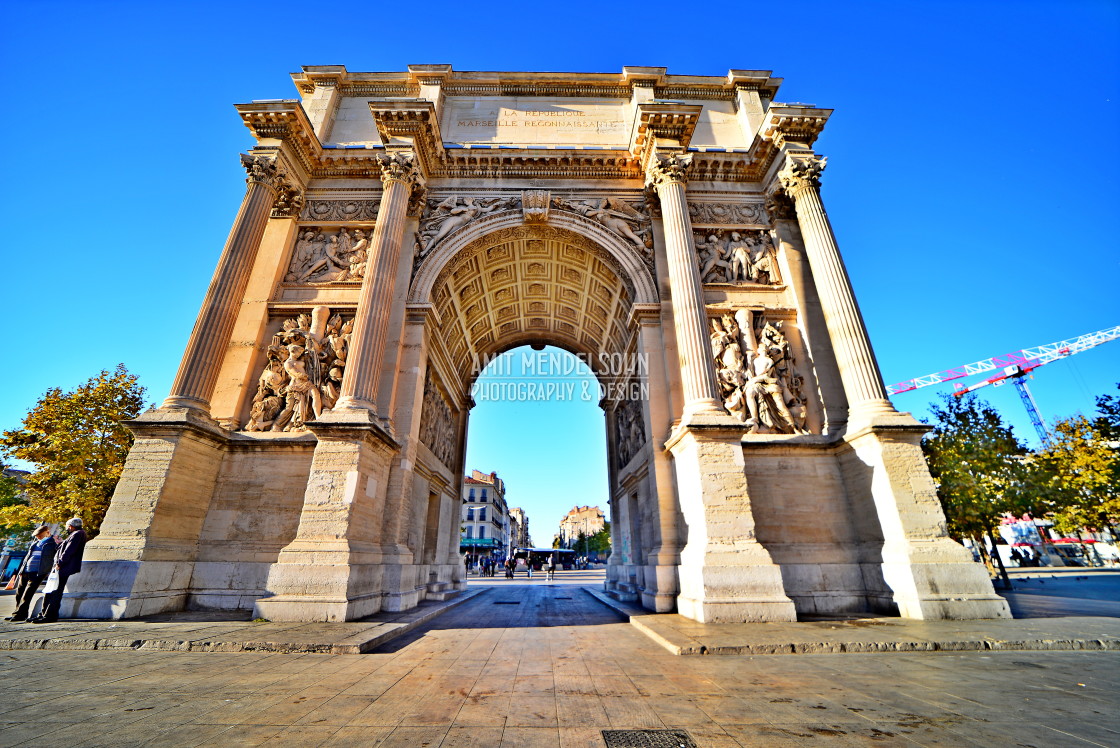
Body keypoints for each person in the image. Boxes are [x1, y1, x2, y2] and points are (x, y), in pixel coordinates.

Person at [31, 517, 86, 624]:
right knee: (50, 590)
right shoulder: (76, 534)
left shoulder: (77, 534)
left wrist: (59, 563)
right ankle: (44, 614)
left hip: (62, 567)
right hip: (61, 567)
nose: (67, 529)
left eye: (68, 527)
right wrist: (60, 543)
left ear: (70, 526)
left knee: (55, 591)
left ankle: (49, 615)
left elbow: (69, 551)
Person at [5, 525, 57, 622]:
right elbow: (27, 557)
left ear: (47, 532)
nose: (38, 537)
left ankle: (19, 615)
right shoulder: (35, 543)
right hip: (26, 570)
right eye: (37, 536)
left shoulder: (51, 543)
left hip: (38, 572)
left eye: (40, 535)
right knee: (19, 593)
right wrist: (21, 570)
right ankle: (18, 613)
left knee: (27, 594)